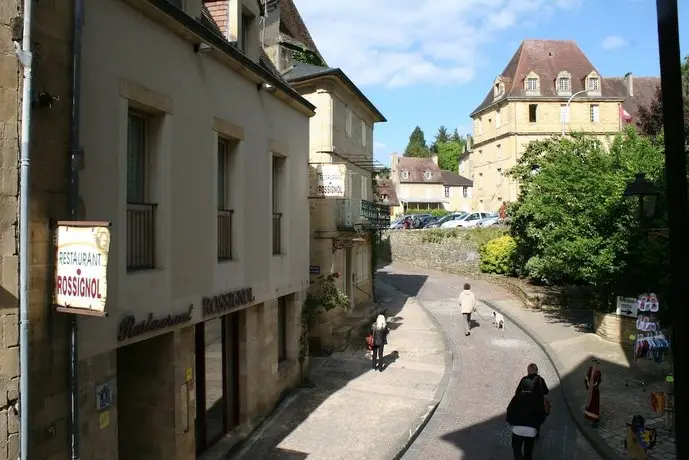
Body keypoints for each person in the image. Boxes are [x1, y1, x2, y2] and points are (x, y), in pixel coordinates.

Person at [507, 377, 546, 460]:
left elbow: (509, 411)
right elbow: (542, 414)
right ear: (531, 387)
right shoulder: (537, 399)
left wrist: (511, 422)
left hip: (518, 428)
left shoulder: (516, 397)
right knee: (528, 451)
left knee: (516, 448)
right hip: (531, 430)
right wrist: (537, 425)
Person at [515, 363, 550, 437]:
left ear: (528, 371)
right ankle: (536, 432)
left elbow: (517, 392)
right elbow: (546, 391)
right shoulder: (540, 380)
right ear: (537, 371)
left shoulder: (524, 380)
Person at [584, 358, 602, 427]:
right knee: (595, 404)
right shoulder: (597, 372)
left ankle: (589, 416)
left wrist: (588, 387)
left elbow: (586, 379)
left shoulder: (590, 369)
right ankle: (594, 419)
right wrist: (594, 387)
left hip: (591, 390)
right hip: (594, 391)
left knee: (590, 402)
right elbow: (598, 382)